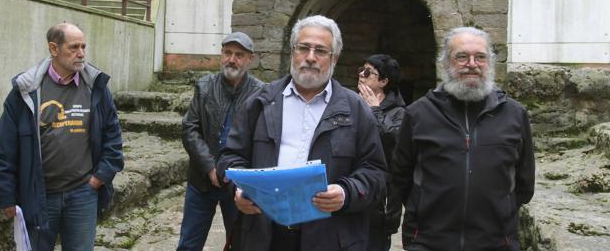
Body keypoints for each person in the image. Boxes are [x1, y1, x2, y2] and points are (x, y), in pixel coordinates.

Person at [216, 15, 387, 251]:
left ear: (334, 58)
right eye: (303, 48)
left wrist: (346, 192)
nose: (310, 57)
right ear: (292, 52)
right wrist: (239, 190)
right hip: (265, 235)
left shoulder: (356, 109)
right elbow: (229, 157)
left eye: (320, 51)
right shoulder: (260, 103)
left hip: (329, 238)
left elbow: (376, 173)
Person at [391, 26, 535, 251]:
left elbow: (524, 185)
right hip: (429, 242)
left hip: (496, 243)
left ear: (490, 63)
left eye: (480, 57)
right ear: (446, 63)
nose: (472, 64)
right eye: (462, 57)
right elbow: (401, 178)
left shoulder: (515, 115)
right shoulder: (418, 114)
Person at [0, 22, 124, 251]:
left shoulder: (95, 87)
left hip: (83, 193)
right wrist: (6, 197)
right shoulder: (26, 91)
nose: (81, 53)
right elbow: (2, 149)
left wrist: (100, 177)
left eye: (83, 46)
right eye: (73, 47)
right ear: (53, 49)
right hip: (38, 197)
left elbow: (113, 136)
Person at [178, 32, 264, 251]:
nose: (231, 59)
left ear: (250, 59)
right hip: (202, 180)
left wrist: (238, 172)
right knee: (189, 244)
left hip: (238, 184)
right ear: (221, 55)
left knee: (240, 243)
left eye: (239, 54)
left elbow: (262, 139)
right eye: (227, 53)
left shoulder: (261, 93)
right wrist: (209, 167)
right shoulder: (205, 86)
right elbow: (190, 128)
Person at [357, 54, 406, 251]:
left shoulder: (400, 113)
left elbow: (391, 146)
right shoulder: (350, 102)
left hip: (380, 202)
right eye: (361, 69)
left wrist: (375, 111)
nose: (361, 74)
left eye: (368, 72)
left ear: (384, 81)